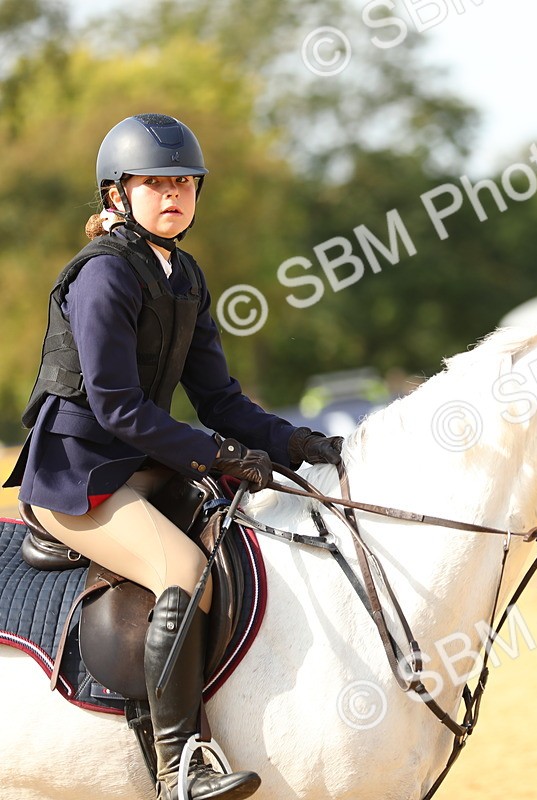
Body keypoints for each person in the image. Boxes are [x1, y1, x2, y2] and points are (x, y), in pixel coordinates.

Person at [2, 114, 343, 800]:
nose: (173, 195)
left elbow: (219, 399)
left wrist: (295, 443)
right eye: (154, 183)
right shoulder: (103, 276)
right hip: (76, 477)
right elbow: (116, 408)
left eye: (184, 183)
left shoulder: (183, 275)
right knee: (183, 570)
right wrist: (218, 455)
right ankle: (178, 764)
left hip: (137, 467)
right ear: (116, 195)